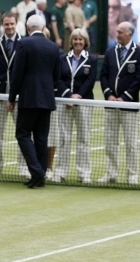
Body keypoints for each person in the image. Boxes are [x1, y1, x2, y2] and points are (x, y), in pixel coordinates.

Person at [8, 15, 61, 189]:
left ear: (28, 28)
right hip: (46, 98)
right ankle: (39, 176)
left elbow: (17, 73)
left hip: (29, 97)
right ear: (44, 27)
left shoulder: (23, 43)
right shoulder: (53, 47)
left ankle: (37, 172)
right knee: (41, 137)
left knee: (22, 134)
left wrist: (11, 98)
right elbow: (57, 76)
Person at [98, 21, 140, 184]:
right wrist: (109, 95)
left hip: (129, 105)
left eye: (120, 32)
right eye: (117, 32)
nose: (117, 34)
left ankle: (132, 174)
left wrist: (124, 97)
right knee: (110, 141)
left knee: (130, 142)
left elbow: (139, 78)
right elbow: (103, 75)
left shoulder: (139, 53)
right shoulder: (111, 51)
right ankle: (111, 173)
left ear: (129, 34)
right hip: (111, 104)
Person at [52, 28, 97, 184]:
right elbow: (58, 79)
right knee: (63, 138)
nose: (78, 42)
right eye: (75, 39)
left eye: (81, 39)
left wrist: (77, 97)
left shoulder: (92, 59)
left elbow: (90, 81)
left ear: (85, 42)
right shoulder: (62, 58)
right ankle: (60, 172)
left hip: (84, 103)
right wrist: (68, 95)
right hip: (64, 103)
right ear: (71, 41)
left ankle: (84, 173)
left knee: (84, 138)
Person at [0, 12, 28, 177]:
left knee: (22, 132)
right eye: (6, 24)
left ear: (16, 23)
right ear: (2, 24)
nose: (10, 27)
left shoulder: (24, 43)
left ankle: (24, 167)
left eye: (12, 24)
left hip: (19, 95)